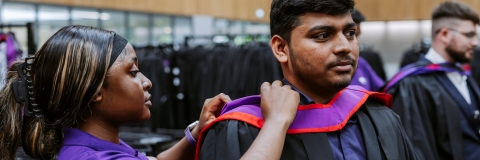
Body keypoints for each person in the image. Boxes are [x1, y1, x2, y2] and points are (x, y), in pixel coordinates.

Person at [0, 25, 301, 160]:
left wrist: (195, 133)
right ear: (94, 91)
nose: (147, 82)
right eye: (132, 72)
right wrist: (277, 122)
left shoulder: (93, 146)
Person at [197, 0, 418, 160]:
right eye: (322, 35)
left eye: (350, 33)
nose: (344, 46)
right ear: (281, 48)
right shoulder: (240, 129)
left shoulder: (382, 117)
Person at [385, 2, 480, 160]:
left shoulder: (462, 73)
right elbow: (418, 150)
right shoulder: (414, 84)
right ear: (444, 34)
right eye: (469, 35)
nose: (475, 42)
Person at [350, 9, 385, 91]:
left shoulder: (361, 63)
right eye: (351, 34)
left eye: (358, 35)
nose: (357, 41)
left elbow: (383, 91)